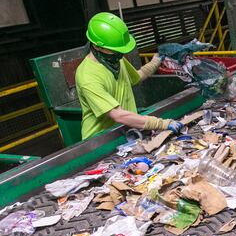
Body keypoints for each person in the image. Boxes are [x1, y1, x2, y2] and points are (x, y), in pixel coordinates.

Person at [75, 12, 183, 140]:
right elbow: (118, 115)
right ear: (96, 46)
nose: (120, 54)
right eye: (115, 50)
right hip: (101, 140)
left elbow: (138, 76)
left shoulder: (114, 59)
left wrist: (156, 61)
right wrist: (162, 123)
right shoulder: (88, 76)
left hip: (124, 131)